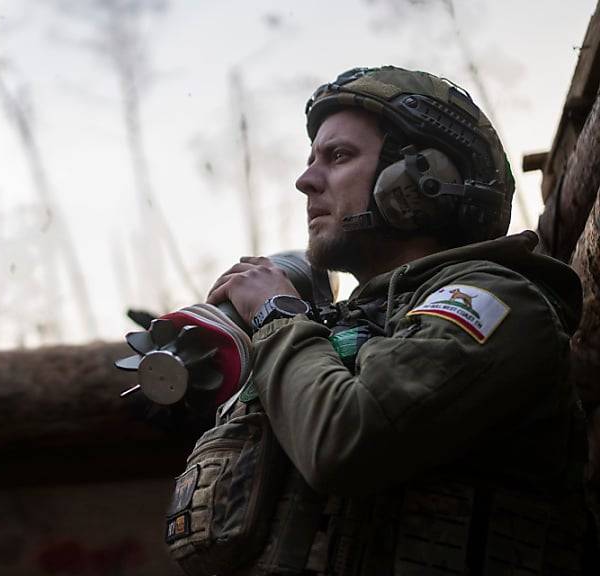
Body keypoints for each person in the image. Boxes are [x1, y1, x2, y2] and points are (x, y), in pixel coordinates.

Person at [201, 67, 589, 573]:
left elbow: (345, 439)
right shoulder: (343, 326)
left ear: (425, 178)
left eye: (338, 156)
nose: (306, 180)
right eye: (312, 159)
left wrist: (277, 314)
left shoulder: (496, 301)